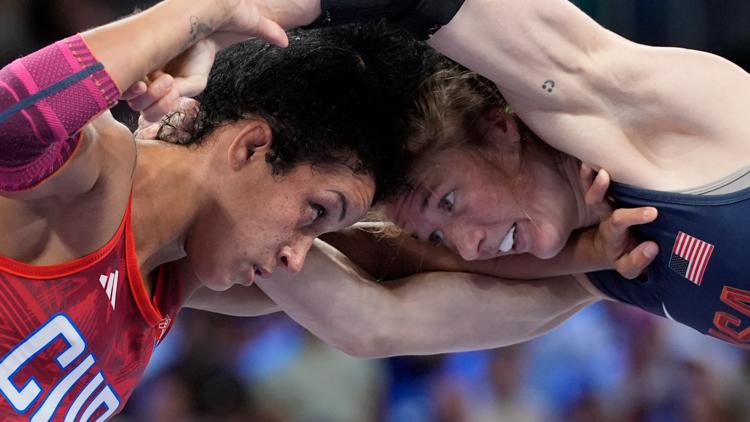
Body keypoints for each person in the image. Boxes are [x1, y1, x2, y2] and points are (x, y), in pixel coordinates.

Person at [231, 0, 750, 353]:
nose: (469, 247)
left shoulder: (644, 109)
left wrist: (211, 18)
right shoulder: (604, 275)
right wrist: (232, 191)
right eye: (435, 235)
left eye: (450, 201)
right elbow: (373, 326)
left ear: (498, 126)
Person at [0, 1, 425, 419]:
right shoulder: (97, 173)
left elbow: (393, 302)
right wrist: (206, 9)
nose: (296, 259)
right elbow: (10, 115)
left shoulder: (174, 281)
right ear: (251, 147)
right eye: (315, 212)